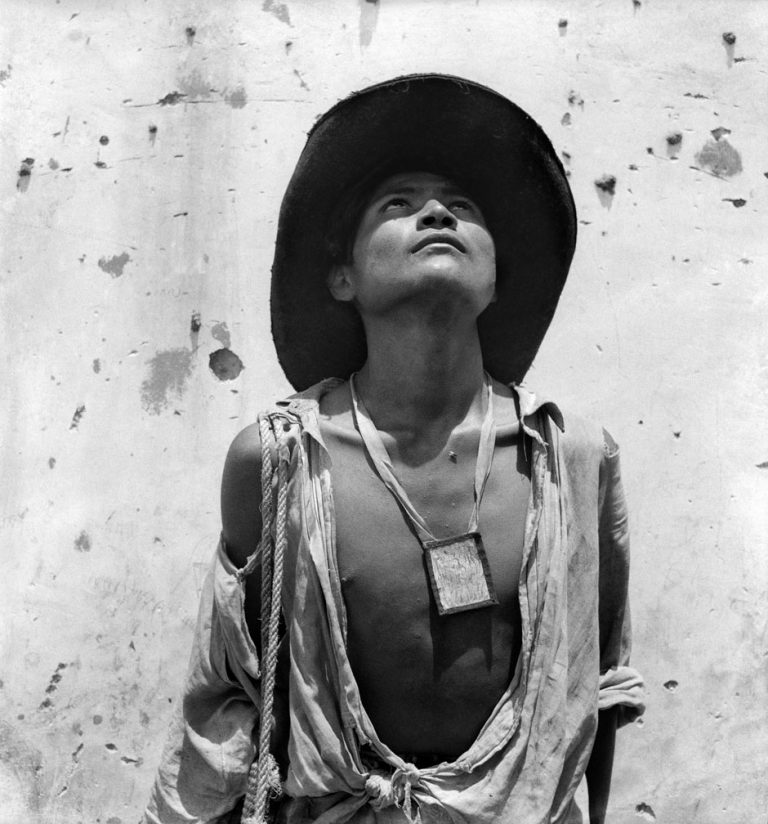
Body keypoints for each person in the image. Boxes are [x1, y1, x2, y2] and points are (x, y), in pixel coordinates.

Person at [143, 74, 645, 824]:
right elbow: (228, 704)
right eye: (397, 205)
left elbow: (599, 683)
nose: (437, 211)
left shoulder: (570, 459)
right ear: (343, 275)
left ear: (497, 273)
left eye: (463, 206)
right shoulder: (278, 462)